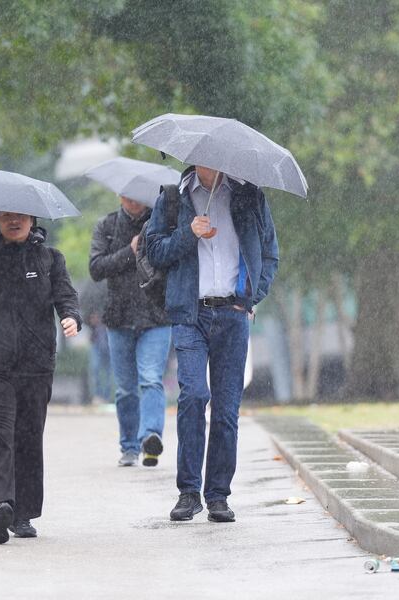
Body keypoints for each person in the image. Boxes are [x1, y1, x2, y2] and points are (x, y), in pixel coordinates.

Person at [145, 165, 278, 523]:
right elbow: (153, 251)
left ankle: (218, 494)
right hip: (190, 313)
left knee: (225, 410)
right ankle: (188, 492)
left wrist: (251, 297)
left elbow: (269, 253)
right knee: (193, 396)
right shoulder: (173, 198)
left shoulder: (249, 196)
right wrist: (188, 234)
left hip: (234, 316)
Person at [0, 211, 81, 544]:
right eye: (6, 216)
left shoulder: (51, 259)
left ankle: (22, 514)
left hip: (35, 365)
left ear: (33, 219)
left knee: (28, 436)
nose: (13, 221)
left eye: (20, 216)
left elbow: (66, 296)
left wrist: (71, 317)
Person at [89, 195, 171, 467]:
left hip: (156, 316)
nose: (132, 199)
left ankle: (151, 436)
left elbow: (173, 260)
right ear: (119, 194)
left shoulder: (161, 223)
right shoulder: (107, 226)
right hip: (118, 317)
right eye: (127, 193)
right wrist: (130, 251)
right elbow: (96, 268)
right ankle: (129, 446)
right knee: (125, 389)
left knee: (150, 379)